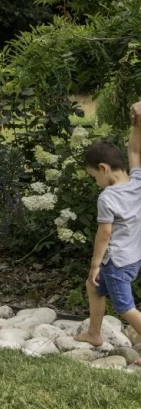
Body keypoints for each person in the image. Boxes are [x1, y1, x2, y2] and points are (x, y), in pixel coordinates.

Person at [76, 105, 141, 355]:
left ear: (103, 169)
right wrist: (137, 124)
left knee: (125, 307)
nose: (96, 182)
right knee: (93, 287)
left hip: (116, 262)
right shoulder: (137, 182)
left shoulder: (107, 197)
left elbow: (104, 234)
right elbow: (134, 149)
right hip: (133, 257)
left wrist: (95, 264)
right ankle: (94, 333)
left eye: (94, 176)